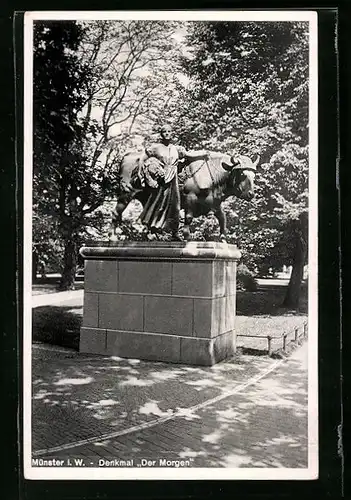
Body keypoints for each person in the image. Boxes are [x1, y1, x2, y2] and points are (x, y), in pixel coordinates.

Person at [136, 124, 209, 239]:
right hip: (162, 180)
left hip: (173, 180)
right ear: (161, 134)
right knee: (158, 203)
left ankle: (174, 232)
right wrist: (141, 173)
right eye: (164, 131)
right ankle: (150, 229)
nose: (167, 134)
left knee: (175, 206)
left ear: (172, 133)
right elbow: (142, 158)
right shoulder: (156, 147)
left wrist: (202, 154)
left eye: (169, 132)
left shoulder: (177, 149)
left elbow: (189, 155)